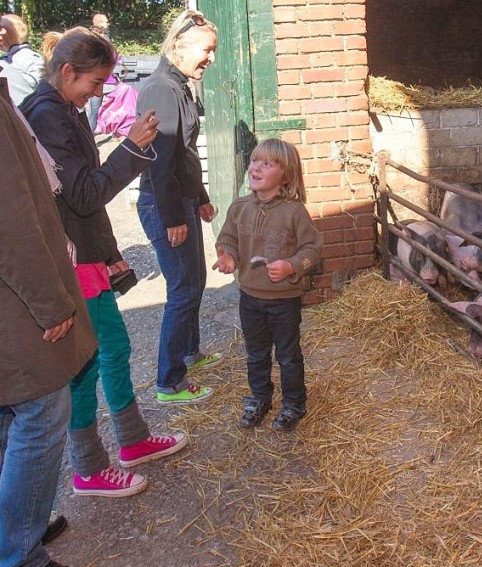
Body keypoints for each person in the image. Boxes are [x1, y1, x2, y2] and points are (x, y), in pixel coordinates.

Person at [21, 27, 188, 498]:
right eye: (94, 83)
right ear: (67, 71)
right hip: (72, 261)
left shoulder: (63, 110)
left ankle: (132, 441)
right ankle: (89, 467)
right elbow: (84, 193)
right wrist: (132, 147)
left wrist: (110, 252)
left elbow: (83, 198)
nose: (99, 93)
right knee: (87, 361)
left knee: (110, 350)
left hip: (86, 256)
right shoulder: (48, 115)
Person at [0, 77, 98, 567]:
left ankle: (12, 530)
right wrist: (51, 299)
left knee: (9, 414)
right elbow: (10, 221)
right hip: (14, 300)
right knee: (41, 412)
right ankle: (16, 563)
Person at [136, 10, 221, 405]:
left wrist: (199, 198)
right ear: (180, 45)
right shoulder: (161, 88)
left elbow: (184, 154)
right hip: (163, 202)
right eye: (207, 50)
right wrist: (172, 216)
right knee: (183, 287)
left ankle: (190, 353)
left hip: (180, 198)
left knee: (195, 280)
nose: (211, 59)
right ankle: (169, 382)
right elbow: (159, 158)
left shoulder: (179, 84)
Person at [213, 138, 323, 431]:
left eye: (267, 163)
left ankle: (294, 403)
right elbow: (227, 239)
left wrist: (291, 266)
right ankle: (260, 397)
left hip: (283, 299)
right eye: (254, 161)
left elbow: (313, 249)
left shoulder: (294, 211)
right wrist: (227, 257)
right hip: (249, 296)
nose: (256, 168)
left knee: (287, 355)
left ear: (285, 175)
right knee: (256, 352)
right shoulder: (238, 208)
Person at [0, 13, 44, 105]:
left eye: (2, 27)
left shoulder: (26, 55)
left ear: (19, 31)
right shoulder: (8, 58)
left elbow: (42, 80)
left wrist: (15, 78)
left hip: (25, 109)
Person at [86, 13, 110, 132]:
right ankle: (90, 138)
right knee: (94, 111)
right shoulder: (102, 40)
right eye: (106, 22)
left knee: (92, 111)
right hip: (98, 79)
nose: (108, 24)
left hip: (93, 78)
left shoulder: (88, 36)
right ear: (99, 23)